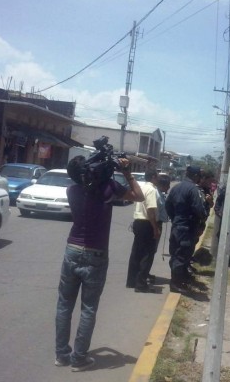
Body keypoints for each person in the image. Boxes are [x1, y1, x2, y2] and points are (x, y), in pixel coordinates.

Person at [55, 156, 143, 372]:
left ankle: (62, 354)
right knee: (88, 308)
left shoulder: (72, 190)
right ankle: (79, 359)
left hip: (72, 250)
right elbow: (138, 196)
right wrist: (126, 171)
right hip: (96, 253)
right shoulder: (107, 188)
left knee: (64, 305)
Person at [165, 166, 206, 293]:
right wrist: (203, 218)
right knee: (182, 256)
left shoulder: (176, 187)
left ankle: (179, 279)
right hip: (187, 227)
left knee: (175, 254)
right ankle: (176, 283)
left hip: (177, 225)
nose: (199, 178)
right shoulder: (193, 189)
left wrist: (175, 218)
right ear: (194, 176)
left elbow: (168, 205)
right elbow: (199, 209)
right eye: (198, 175)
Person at [126, 169, 160, 293]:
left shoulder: (141, 187)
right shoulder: (151, 190)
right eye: (157, 177)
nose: (158, 179)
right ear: (153, 177)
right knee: (147, 254)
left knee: (136, 253)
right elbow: (151, 211)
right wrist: (155, 228)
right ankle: (141, 284)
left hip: (138, 222)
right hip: (146, 223)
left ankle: (132, 281)